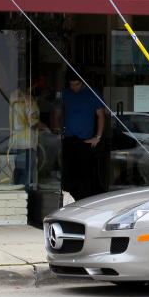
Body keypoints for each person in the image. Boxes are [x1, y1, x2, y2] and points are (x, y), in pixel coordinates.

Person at [61, 71, 105, 200]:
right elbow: (58, 111)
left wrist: (97, 137)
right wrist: (57, 132)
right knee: (68, 173)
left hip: (85, 140)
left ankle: (83, 201)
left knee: (84, 175)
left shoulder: (92, 93)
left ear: (83, 82)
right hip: (68, 138)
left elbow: (101, 115)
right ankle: (67, 201)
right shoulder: (65, 93)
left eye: (77, 84)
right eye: (71, 85)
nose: (74, 87)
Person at [9, 81, 48, 189]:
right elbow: (33, 122)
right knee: (26, 177)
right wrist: (47, 129)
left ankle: (16, 201)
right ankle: (24, 202)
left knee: (19, 173)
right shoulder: (29, 100)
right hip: (28, 143)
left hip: (15, 142)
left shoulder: (12, 96)